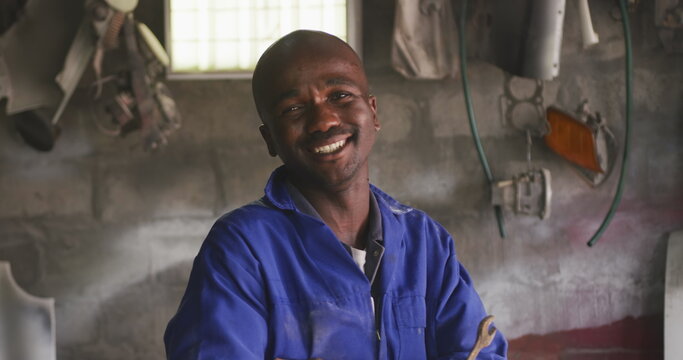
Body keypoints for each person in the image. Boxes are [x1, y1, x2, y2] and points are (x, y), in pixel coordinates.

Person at [164, 30, 508, 360]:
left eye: (340, 95)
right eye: (293, 109)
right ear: (270, 139)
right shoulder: (243, 249)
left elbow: (480, 352)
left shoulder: (425, 243)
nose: (323, 120)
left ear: (372, 112)